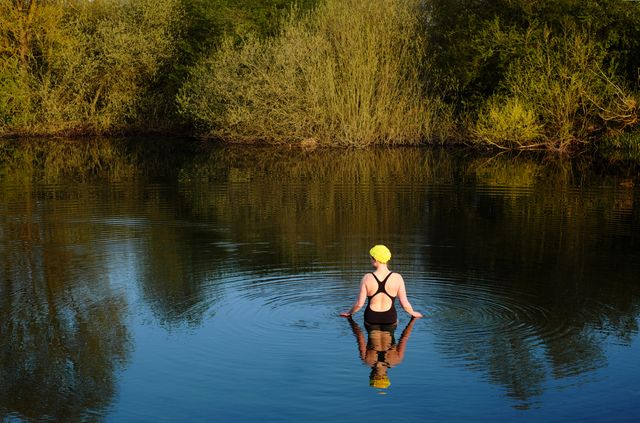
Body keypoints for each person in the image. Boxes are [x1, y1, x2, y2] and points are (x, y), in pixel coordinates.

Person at [340, 245, 423, 324]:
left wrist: (349, 313)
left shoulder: (367, 278)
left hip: (371, 317)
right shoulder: (398, 278)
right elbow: (404, 304)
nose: (371, 260)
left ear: (375, 259)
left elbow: (359, 304)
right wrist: (413, 313)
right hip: (389, 318)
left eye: (371, 258)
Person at [345, 316, 418, 390]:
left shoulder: (396, 360)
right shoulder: (366, 360)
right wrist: (350, 320)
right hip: (371, 322)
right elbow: (359, 335)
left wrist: (413, 320)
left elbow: (404, 337)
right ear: (372, 376)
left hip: (390, 321)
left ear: (386, 376)